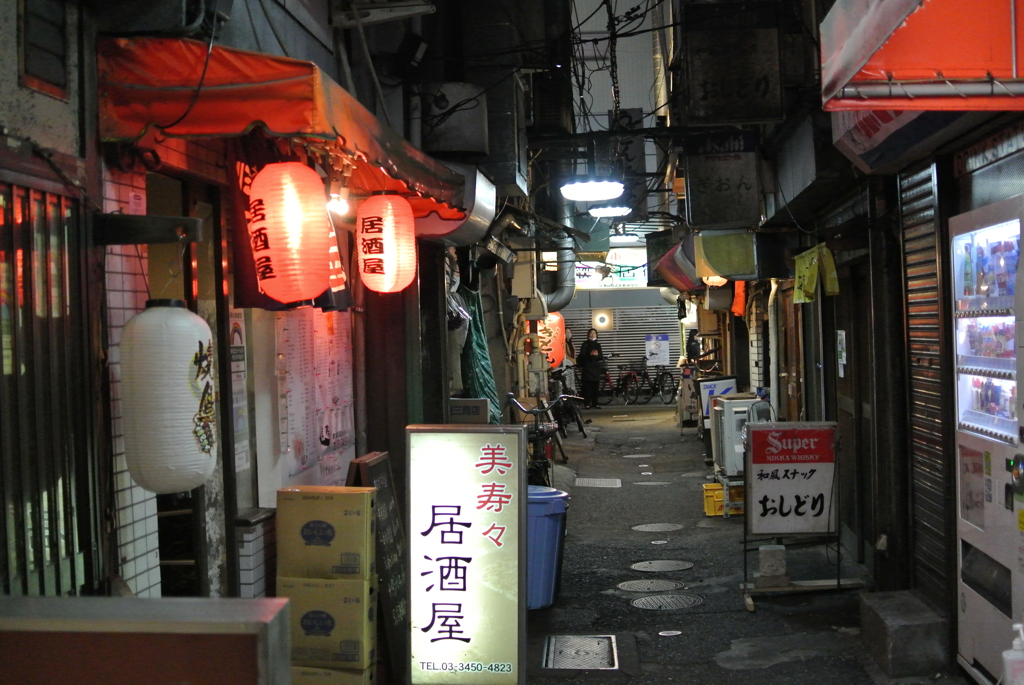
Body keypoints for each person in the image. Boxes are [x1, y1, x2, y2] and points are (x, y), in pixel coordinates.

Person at [578, 328, 604, 409]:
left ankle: (595, 403)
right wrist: (590, 354)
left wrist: (597, 355)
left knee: (596, 387)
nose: (592, 335)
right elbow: (582, 355)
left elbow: (601, 357)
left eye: (594, 333)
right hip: (587, 368)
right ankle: (587, 403)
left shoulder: (598, 345)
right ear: (588, 335)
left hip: (596, 368)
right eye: (591, 333)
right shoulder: (585, 344)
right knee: (588, 387)